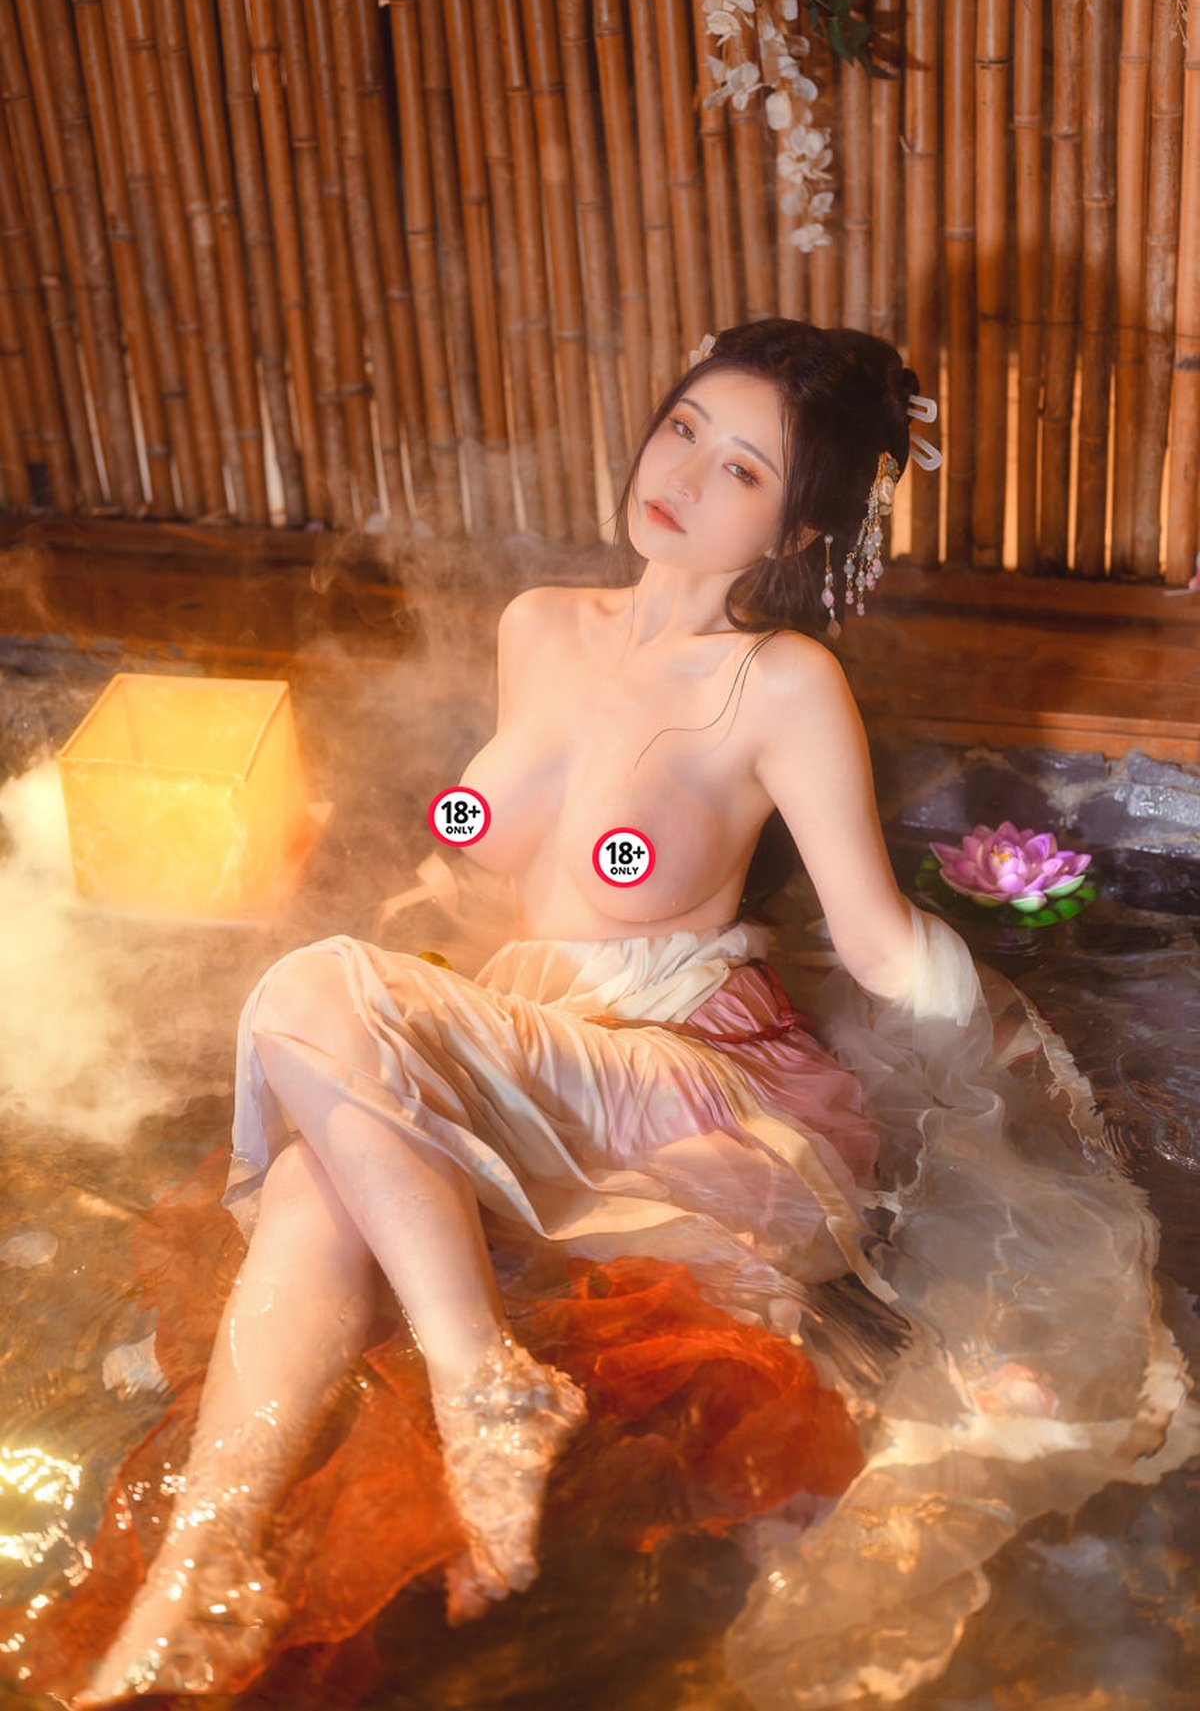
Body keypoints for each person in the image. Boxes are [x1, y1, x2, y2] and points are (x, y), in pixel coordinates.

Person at [70, 319, 1199, 1706]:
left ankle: (482, 1383)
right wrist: (407, 905)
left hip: (680, 1062)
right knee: (315, 1175)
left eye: (743, 470)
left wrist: (1001, 1063)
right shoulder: (536, 624)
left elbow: (873, 938)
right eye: (684, 429)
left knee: (313, 992)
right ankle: (202, 1565)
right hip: (534, 1026)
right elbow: (511, 877)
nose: (684, 475)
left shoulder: (782, 683)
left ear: (797, 527)